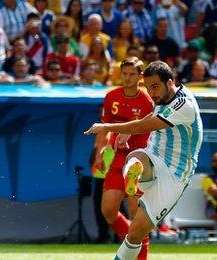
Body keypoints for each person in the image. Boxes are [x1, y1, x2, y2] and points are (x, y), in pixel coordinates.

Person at [85, 61, 203, 260]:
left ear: (170, 82)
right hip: (153, 154)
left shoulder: (184, 105)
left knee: (135, 233)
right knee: (135, 157)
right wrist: (121, 136)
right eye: (148, 87)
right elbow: (153, 114)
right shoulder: (161, 99)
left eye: (155, 86)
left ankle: (137, 175)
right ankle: (136, 172)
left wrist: (109, 128)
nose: (152, 92)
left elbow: (144, 125)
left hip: (175, 175)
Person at [92, 57, 153, 254]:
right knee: (108, 210)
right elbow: (104, 127)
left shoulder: (147, 100)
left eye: (131, 74)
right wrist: (100, 152)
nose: (127, 78)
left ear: (140, 76)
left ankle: (139, 255)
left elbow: (149, 128)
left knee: (137, 215)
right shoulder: (111, 97)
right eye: (124, 74)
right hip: (118, 158)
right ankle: (133, 244)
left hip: (139, 159)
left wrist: (131, 131)